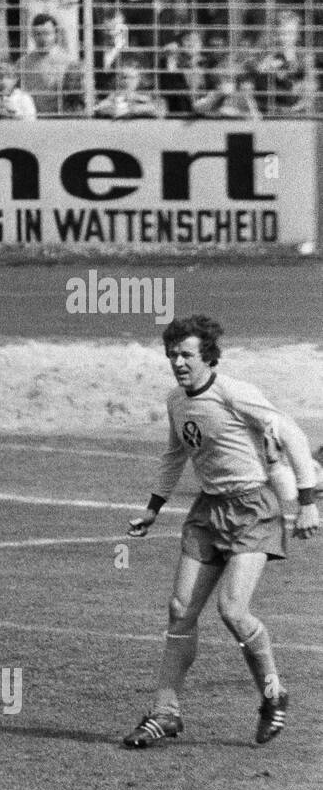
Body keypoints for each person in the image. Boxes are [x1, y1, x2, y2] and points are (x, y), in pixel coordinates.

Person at [123, 316, 318, 748]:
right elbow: (175, 455)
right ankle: (165, 713)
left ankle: (273, 693)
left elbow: (292, 433)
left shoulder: (234, 392)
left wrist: (307, 503)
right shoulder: (177, 401)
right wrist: (153, 509)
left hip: (252, 509)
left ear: (207, 356)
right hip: (208, 510)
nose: (177, 362)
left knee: (232, 610)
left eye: (186, 354)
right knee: (179, 610)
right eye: (172, 354)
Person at [15, 12, 86, 114]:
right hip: (31, 121)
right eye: (38, 34)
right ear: (32, 35)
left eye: (47, 33)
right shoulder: (22, 64)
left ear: (56, 34)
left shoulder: (69, 63)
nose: (42, 39)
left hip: (59, 120)